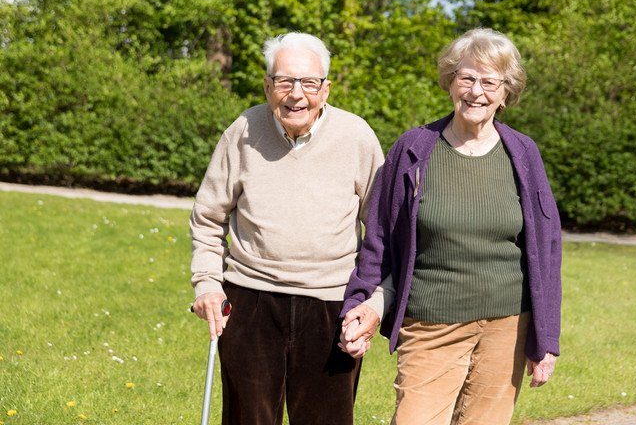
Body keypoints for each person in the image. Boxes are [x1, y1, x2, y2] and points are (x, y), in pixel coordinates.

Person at [339, 28, 562, 424]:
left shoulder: (523, 153)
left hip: (507, 325)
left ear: (506, 92)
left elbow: (545, 249)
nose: (476, 91)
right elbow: (379, 239)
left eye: (489, 81)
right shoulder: (413, 148)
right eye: (467, 78)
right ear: (450, 82)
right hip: (430, 324)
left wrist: (545, 338)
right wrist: (360, 302)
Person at [189, 32, 386, 425]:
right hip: (250, 302)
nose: (297, 94)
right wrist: (208, 283)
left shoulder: (357, 136)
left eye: (309, 82)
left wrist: (374, 302)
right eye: (284, 81)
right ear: (267, 86)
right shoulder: (242, 131)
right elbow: (208, 218)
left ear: (326, 88)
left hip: (332, 306)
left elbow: (383, 234)